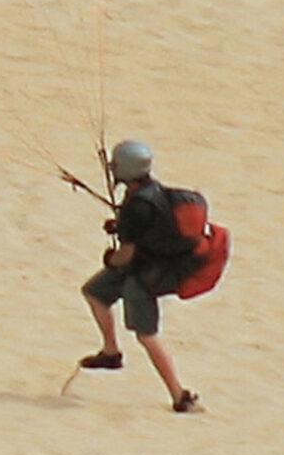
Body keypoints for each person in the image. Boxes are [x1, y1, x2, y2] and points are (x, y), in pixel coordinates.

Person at [79, 138, 201, 413]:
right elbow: (149, 228)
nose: (111, 167)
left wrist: (110, 260)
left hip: (147, 274)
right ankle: (111, 353)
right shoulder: (149, 191)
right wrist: (120, 227)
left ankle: (180, 395)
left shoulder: (138, 206)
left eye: (115, 164)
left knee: (146, 335)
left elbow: (126, 255)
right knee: (95, 292)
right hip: (147, 262)